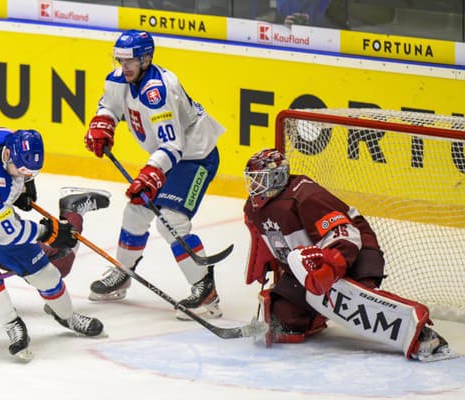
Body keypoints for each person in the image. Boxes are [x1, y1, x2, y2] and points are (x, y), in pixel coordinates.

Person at [242, 148, 455, 361]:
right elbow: (265, 235)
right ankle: (315, 313)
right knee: (284, 319)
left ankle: (422, 335)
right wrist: (264, 259)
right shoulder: (254, 209)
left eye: (261, 180)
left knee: (360, 302)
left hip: (356, 253)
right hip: (310, 265)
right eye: (253, 180)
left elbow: (348, 235)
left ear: (278, 178)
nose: (255, 187)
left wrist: (330, 270)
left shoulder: (305, 196)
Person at [83, 29, 226, 319]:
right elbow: (109, 105)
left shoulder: (157, 91)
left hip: (195, 158)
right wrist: (103, 123)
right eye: (120, 60)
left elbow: (173, 145)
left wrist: (151, 174)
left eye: (130, 62)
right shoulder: (119, 79)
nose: (124, 67)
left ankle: (204, 286)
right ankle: (123, 273)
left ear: (146, 59)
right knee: (135, 211)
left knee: (171, 220)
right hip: (169, 158)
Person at [0, 127, 110, 361]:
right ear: (7, 156)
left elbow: (5, 151)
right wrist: (47, 231)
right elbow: (7, 235)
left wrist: (24, 186)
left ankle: (67, 316)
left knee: (45, 274)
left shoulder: (5, 138)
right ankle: (11, 323)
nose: (23, 176)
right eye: (21, 171)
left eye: (30, 173)